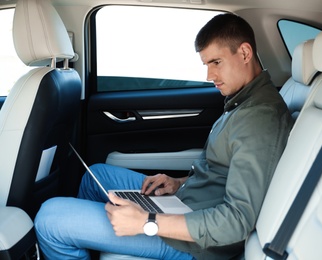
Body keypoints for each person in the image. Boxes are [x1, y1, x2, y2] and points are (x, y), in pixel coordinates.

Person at [34, 13, 293, 259]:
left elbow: (237, 221)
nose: (209, 76)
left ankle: (84, 235)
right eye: (206, 65)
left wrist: (146, 222)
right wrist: (178, 183)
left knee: (50, 218)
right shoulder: (243, 101)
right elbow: (221, 172)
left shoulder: (260, 119)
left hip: (194, 244)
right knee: (96, 176)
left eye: (216, 62)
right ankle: (91, 239)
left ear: (245, 53)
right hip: (187, 202)